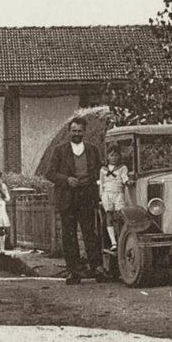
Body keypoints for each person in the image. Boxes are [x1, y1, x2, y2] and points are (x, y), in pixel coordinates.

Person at [46, 117, 105, 285]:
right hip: (67, 197)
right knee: (69, 236)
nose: (77, 134)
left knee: (90, 233)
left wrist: (94, 184)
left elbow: (99, 171)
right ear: (69, 131)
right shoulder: (59, 150)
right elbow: (49, 173)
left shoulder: (92, 150)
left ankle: (96, 268)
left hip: (86, 196)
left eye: (80, 131)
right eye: (74, 131)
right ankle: (74, 271)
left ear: (84, 132)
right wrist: (66, 180)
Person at [99, 146, 131, 250]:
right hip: (107, 194)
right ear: (108, 157)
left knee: (119, 215)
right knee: (109, 215)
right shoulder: (103, 170)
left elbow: (124, 177)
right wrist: (101, 196)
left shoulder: (122, 168)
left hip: (118, 194)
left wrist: (127, 182)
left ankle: (120, 239)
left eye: (116, 155)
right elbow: (102, 183)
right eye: (112, 155)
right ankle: (113, 242)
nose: (114, 157)